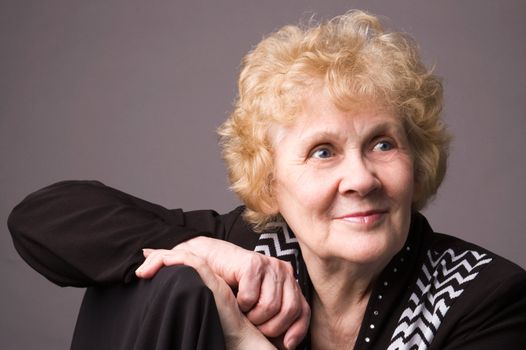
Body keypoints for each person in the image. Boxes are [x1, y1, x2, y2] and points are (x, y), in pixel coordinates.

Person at [8, 10, 526, 350]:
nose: (361, 178)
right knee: (162, 284)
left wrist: (241, 339)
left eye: (383, 144)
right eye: (323, 151)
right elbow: (41, 219)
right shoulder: (254, 249)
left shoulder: (488, 298)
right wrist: (213, 253)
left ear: (417, 158)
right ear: (273, 183)